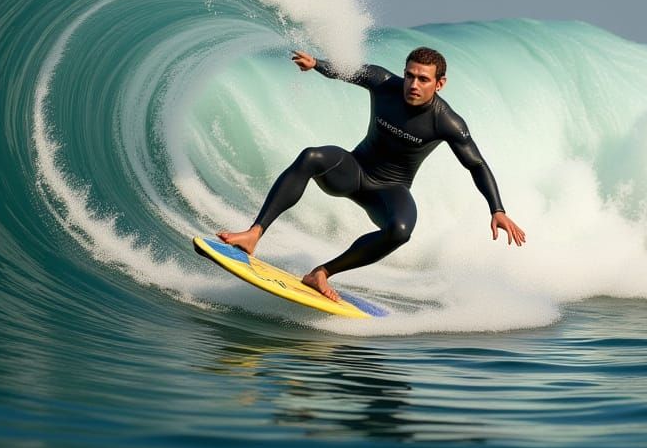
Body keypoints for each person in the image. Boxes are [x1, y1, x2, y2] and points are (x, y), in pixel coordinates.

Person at [217, 46, 526, 302]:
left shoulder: (446, 122)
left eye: (423, 79)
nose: (413, 85)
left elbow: (476, 164)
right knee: (311, 156)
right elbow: (349, 71)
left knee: (401, 231)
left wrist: (497, 209)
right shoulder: (384, 83)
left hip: (389, 191)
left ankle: (321, 273)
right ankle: (254, 234)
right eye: (409, 75)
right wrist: (317, 64)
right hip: (353, 171)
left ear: (439, 83)